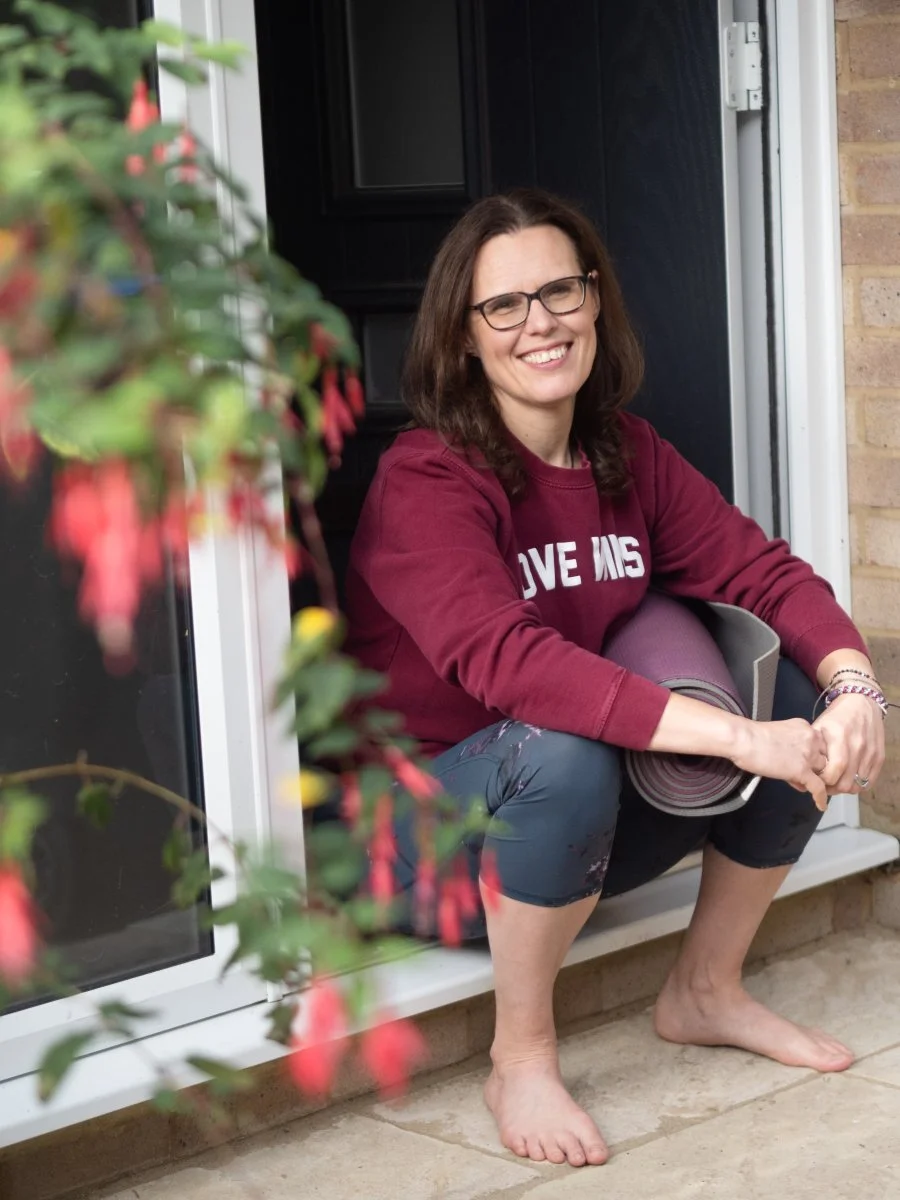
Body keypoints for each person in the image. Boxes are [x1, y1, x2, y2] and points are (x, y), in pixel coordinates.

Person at [343, 189, 886, 1169]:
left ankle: (705, 991)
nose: (539, 322)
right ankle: (521, 1055)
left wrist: (854, 686)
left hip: (563, 832)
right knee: (565, 740)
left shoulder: (624, 454)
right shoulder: (427, 479)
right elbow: (510, 666)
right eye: (503, 306)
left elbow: (762, 572)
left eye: (560, 290)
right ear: (463, 337)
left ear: (595, 302)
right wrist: (732, 739)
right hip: (419, 845)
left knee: (795, 697)